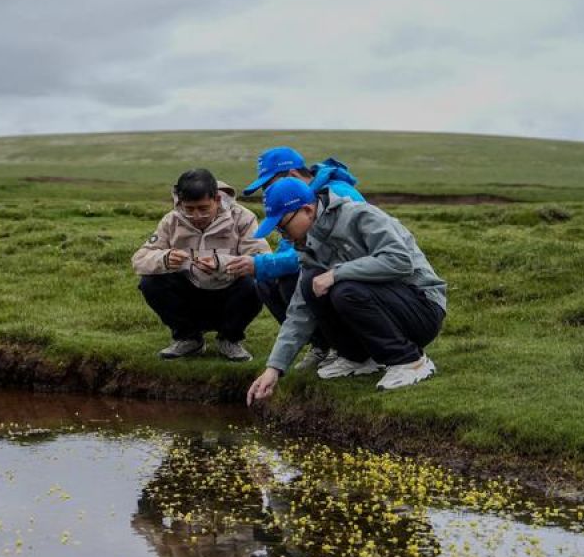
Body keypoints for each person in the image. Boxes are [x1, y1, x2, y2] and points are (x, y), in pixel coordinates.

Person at [245, 176, 447, 403]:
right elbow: (299, 311)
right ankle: (358, 359)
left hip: (423, 308)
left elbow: (399, 261)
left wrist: (336, 273)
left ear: (307, 210)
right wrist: (274, 368)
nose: (283, 235)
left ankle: (411, 361)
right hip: (385, 305)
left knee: (344, 289)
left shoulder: (360, 215)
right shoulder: (309, 245)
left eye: (283, 226)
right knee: (310, 283)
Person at [246, 146, 366, 376]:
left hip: (347, 277)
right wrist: (263, 265)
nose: (266, 192)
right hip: (331, 275)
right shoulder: (293, 204)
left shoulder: (339, 193)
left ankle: (344, 348)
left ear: (291, 175)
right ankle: (321, 345)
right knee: (267, 281)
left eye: (267, 185)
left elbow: (305, 259)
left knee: (298, 279)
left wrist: (260, 264)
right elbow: (292, 250)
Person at [132, 168, 270, 361]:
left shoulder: (243, 218)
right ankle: (188, 339)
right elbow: (139, 259)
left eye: (203, 209)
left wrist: (221, 263)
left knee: (257, 282)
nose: (196, 216)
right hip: (189, 294)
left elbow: (262, 258)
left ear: (217, 199)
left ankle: (229, 339)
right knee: (150, 282)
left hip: (230, 293)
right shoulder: (171, 220)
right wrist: (164, 258)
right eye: (189, 209)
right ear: (180, 202)